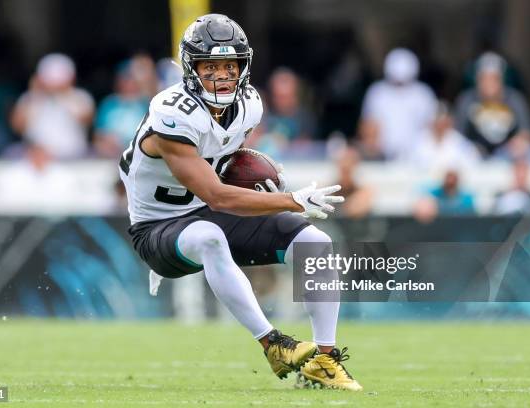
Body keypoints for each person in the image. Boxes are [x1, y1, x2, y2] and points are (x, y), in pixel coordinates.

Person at [118, 14, 361, 391]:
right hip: (160, 227)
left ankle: (324, 363)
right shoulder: (172, 113)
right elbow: (215, 193)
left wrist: (262, 183)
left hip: (206, 215)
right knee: (208, 236)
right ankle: (273, 344)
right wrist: (292, 200)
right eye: (210, 66)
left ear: (243, 67)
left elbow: (228, 162)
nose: (222, 76)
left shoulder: (249, 106)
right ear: (191, 68)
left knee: (316, 245)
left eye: (230, 66)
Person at [10, 53, 95, 160]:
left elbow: (87, 120)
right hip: (36, 159)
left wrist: (63, 95)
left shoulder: (81, 97)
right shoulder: (29, 98)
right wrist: (36, 96)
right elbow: (17, 127)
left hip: (72, 157)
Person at [360, 48, 437, 160]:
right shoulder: (377, 92)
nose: (400, 87)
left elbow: (431, 126)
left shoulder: (423, 94)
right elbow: (369, 125)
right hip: (383, 155)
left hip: (418, 155)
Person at [454, 52, 530, 157]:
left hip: (507, 157)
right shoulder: (467, 99)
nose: (489, 84)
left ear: (501, 80)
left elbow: (527, 130)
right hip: (473, 156)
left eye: (494, 79)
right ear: (477, 80)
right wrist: (470, 148)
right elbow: (456, 135)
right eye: (484, 78)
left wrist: (520, 141)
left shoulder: (514, 98)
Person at [93, 60, 150, 158]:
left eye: (131, 79)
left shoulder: (146, 103)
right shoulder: (109, 103)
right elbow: (98, 133)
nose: (128, 83)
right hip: (111, 153)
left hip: (140, 152)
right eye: (124, 79)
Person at [407, 101, 481, 171]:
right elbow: (408, 165)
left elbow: (472, 165)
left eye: (443, 121)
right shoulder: (418, 141)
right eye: (437, 120)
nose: (440, 125)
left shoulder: (460, 142)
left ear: (450, 122)